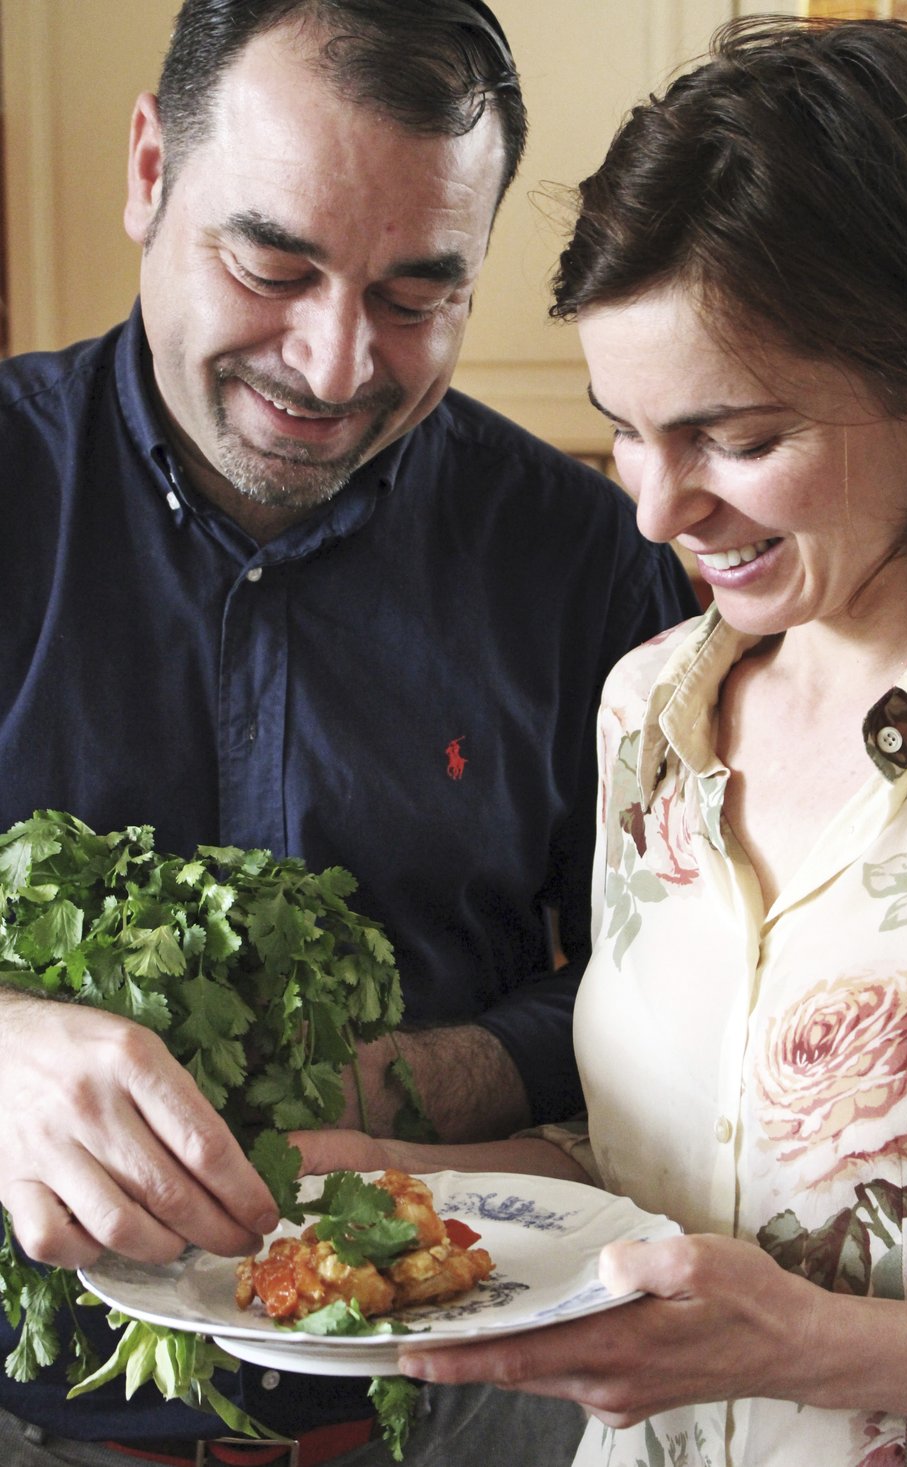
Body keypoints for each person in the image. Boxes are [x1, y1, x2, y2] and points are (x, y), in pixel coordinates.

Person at [0, 1, 697, 1464]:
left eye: (413, 296)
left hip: (468, 1417)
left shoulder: (592, 562)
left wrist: (398, 1088)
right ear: (146, 171)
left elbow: (659, 1013)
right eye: (273, 265)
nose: (331, 369)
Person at [295, 14, 907, 1465]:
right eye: (625, 428)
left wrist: (811, 1343)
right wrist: (378, 1171)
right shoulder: (649, 711)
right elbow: (651, 1169)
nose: (656, 513)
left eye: (732, 437)